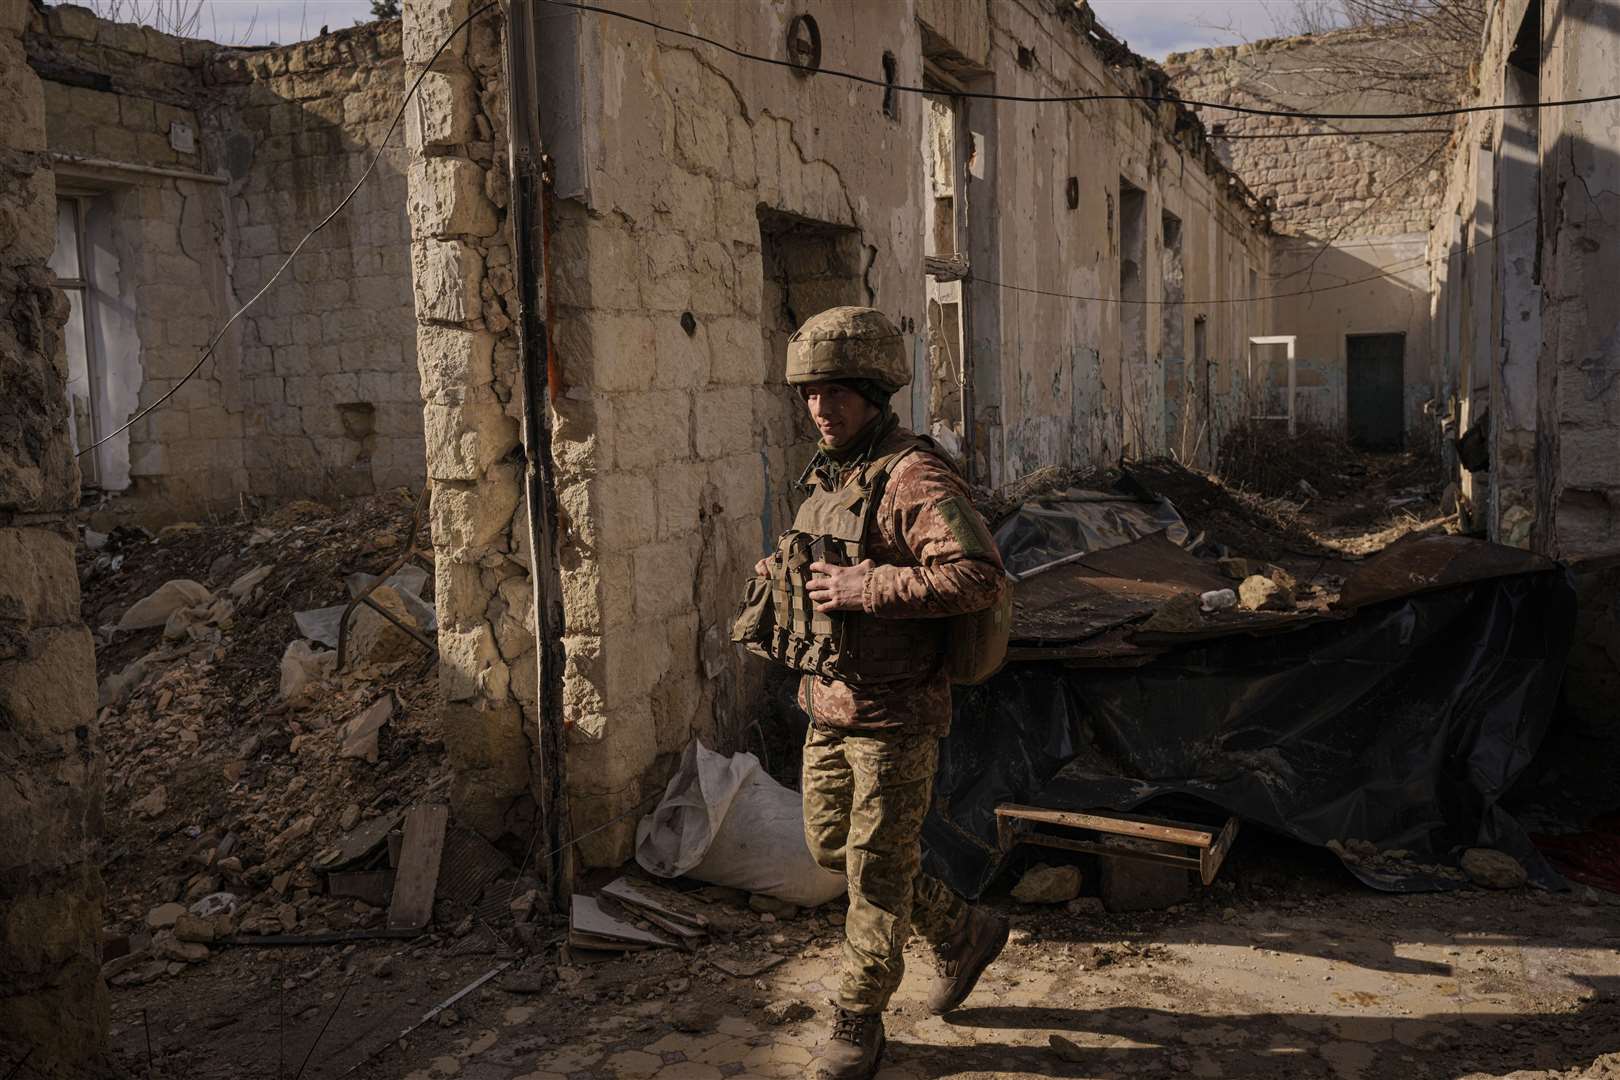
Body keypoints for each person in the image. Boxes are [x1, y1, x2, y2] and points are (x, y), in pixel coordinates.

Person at [743, 306, 1010, 1080]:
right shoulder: (831, 473)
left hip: (896, 714)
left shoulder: (912, 474)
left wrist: (869, 585)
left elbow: (978, 574)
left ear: (871, 390)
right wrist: (786, 578)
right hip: (828, 704)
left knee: (876, 873)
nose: (820, 409)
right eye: (809, 395)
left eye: (835, 394)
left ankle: (858, 1021)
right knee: (836, 850)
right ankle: (963, 930)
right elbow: (824, 560)